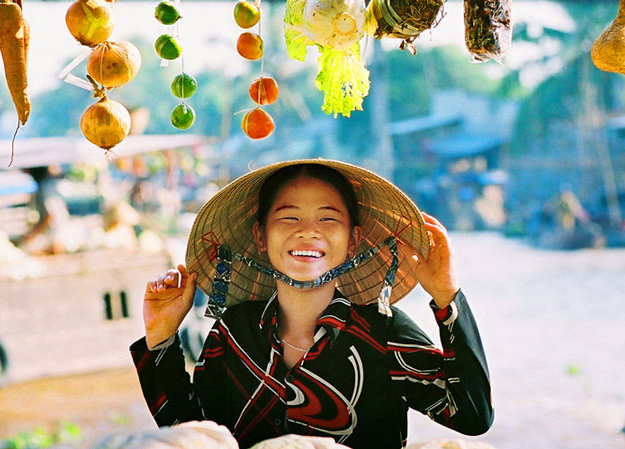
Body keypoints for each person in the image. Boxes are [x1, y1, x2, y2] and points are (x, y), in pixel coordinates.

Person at [130, 160, 493, 449]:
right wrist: (161, 337)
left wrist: (447, 297)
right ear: (261, 235)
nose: (308, 230)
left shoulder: (384, 331)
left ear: (353, 240)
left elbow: (472, 416)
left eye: (327, 218)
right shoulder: (233, 331)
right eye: (289, 217)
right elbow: (192, 432)